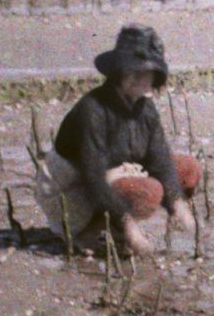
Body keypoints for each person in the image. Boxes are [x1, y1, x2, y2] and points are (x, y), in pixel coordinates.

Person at [35, 24, 200, 257]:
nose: (139, 78)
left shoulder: (146, 110)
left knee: (187, 169)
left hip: (109, 177)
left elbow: (161, 160)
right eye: (132, 71)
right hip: (70, 193)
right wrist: (130, 228)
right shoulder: (93, 111)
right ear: (118, 71)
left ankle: (114, 222)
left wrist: (178, 205)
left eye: (146, 72)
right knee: (148, 192)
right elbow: (94, 176)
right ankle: (91, 231)